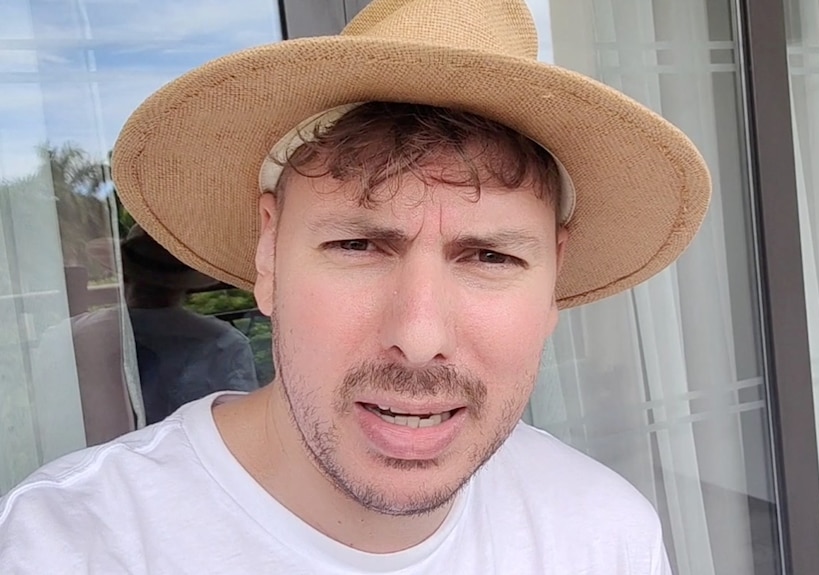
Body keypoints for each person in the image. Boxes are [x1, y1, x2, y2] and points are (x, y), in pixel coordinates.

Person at [0, 0, 711, 573]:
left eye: (490, 257)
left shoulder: (604, 535)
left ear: (554, 281)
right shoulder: (70, 544)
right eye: (358, 244)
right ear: (270, 255)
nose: (420, 336)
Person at [121, 224, 260, 423]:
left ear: (124, 276)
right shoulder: (223, 343)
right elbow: (245, 420)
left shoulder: (87, 334)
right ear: (186, 284)